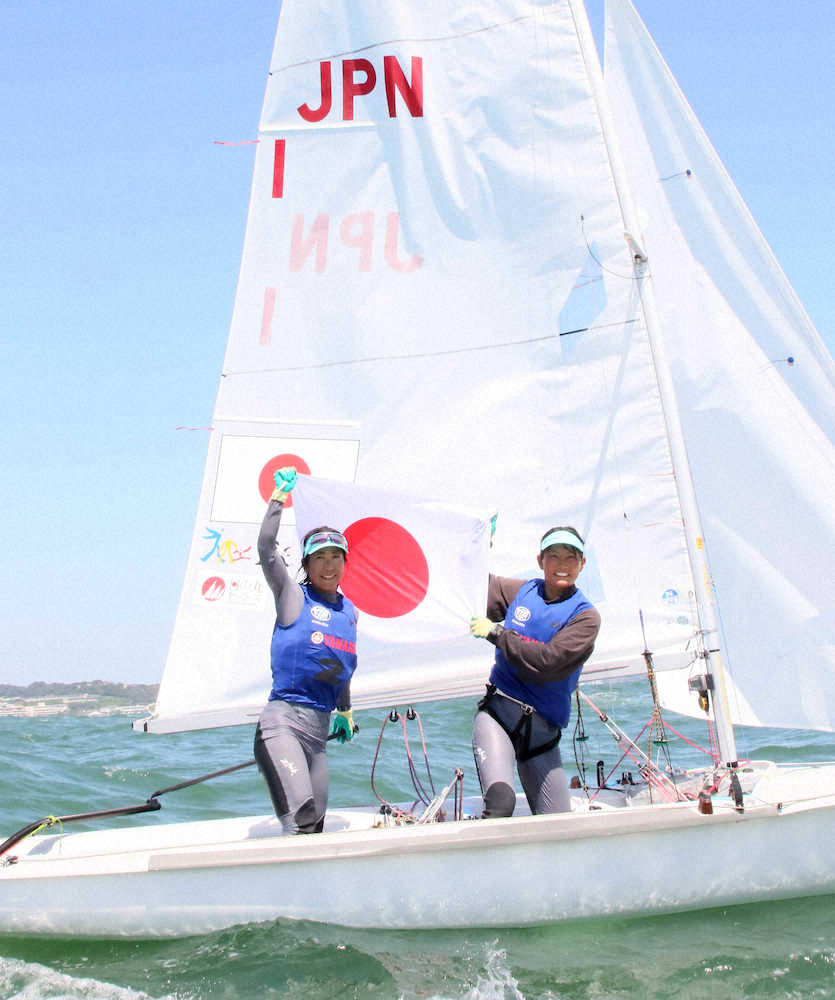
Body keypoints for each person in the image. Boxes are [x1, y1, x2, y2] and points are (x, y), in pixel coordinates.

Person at [253, 467, 358, 834]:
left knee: (318, 826)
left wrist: (344, 709)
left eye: (335, 557)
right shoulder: (293, 596)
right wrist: (279, 499)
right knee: (302, 819)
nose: (329, 565)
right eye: (319, 558)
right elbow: (266, 550)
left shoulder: (349, 612)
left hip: (318, 734)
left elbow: (341, 665)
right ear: (307, 565)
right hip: (283, 725)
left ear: (345, 562)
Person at [469, 526, 600, 818]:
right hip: (498, 717)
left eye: (570, 557)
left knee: (558, 826)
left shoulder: (586, 617)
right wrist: (478, 545)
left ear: (582, 563)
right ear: (540, 560)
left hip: (541, 735)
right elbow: (471, 585)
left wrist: (496, 634)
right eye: (553, 556)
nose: (562, 565)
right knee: (502, 803)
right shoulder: (521, 592)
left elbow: (546, 663)